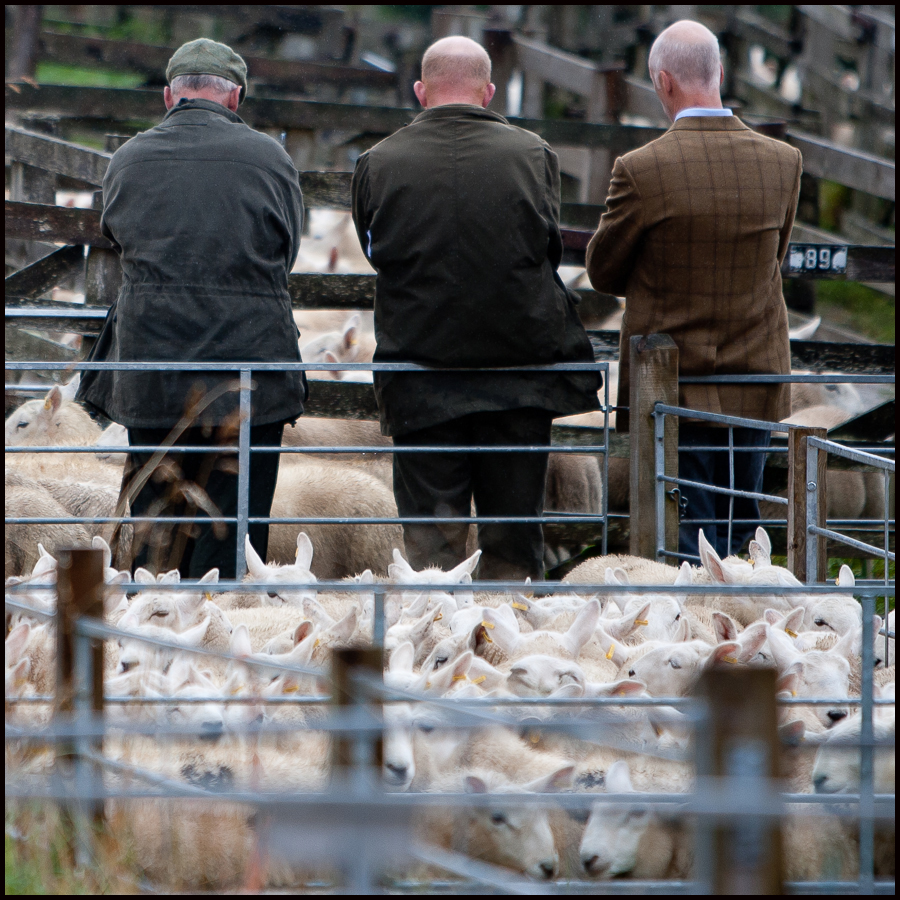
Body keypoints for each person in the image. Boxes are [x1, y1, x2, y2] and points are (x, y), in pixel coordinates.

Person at [351, 36, 600, 581]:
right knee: (513, 540)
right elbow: (547, 248)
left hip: (422, 379)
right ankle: (508, 626)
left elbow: (375, 252)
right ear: (488, 92)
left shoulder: (378, 161)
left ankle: (432, 629)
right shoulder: (533, 155)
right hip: (517, 380)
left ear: (421, 91)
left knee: (431, 547)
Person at [77, 38, 305, 578]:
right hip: (247, 374)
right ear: (236, 97)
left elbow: (117, 235)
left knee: (157, 531)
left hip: (152, 371)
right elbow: (287, 249)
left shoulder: (129, 158)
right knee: (234, 532)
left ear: (168, 95)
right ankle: (224, 623)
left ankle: (155, 621)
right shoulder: (270, 158)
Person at [585, 20, 801, 562]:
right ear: (719, 73)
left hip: (674, 392)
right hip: (755, 381)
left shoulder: (641, 170)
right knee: (741, 537)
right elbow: (772, 261)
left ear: (663, 81)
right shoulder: (783, 162)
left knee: (683, 545)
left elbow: (603, 272)